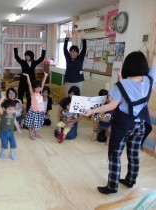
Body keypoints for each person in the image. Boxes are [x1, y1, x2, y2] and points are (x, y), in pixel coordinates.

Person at [84, 50, 156, 195]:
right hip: (141, 124)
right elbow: (154, 67)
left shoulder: (121, 85)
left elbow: (111, 106)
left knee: (115, 154)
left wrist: (91, 111)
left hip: (124, 125)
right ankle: (130, 180)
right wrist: (153, 55)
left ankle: (112, 186)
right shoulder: (149, 80)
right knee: (134, 153)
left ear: (128, 66)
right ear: (143, 66)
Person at [14, 43, 46, 110]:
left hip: (31, 82)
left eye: (28, 56)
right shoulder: (22, 62)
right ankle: (19, 110)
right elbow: (16, 57)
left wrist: (43, 49)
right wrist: (15, 48)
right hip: (22, 82)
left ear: (31, 56)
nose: (26, 57)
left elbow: (42, 58)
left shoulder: (34, 62)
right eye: (25, 56)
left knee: (29, 97)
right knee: (20, 96)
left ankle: (29, 110)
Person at [23, 72, 48, 140]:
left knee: (37, 124)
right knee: (31, 124)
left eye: (39, 87)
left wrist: (45, 76)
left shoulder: (40, 93)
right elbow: (29, 85)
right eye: (37, 88)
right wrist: (28, 76)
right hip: (33, 112)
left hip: (39, 112)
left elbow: (42, 84)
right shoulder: (33, 94)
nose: (39, 89)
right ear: (34, 88)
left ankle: (36, 133)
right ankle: (31, 135)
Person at [63, 30, 87, 96]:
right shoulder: (68, 58)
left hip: (79, 80)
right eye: (71, 51)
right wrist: (67, 38)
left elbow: (84, 49)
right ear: (70, 52)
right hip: (69, 80)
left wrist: (84, 39)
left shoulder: (80, 58)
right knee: (68, 96)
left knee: (78, 97)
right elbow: (65, 49)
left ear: (77, 53)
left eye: (75, 52)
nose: (73, 53)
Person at [0, 96, 21, 160]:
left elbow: (15, 121)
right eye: (9, 109)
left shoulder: (13, 114)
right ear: (4, 109)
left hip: (11, 132)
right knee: (4, 144)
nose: (11, 111)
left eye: (13, 109)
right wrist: (2, 98)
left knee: (13, 143)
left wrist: (18, 128)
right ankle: (2, 152)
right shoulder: (3, 114)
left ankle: (12, 154)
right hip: (3, 133)